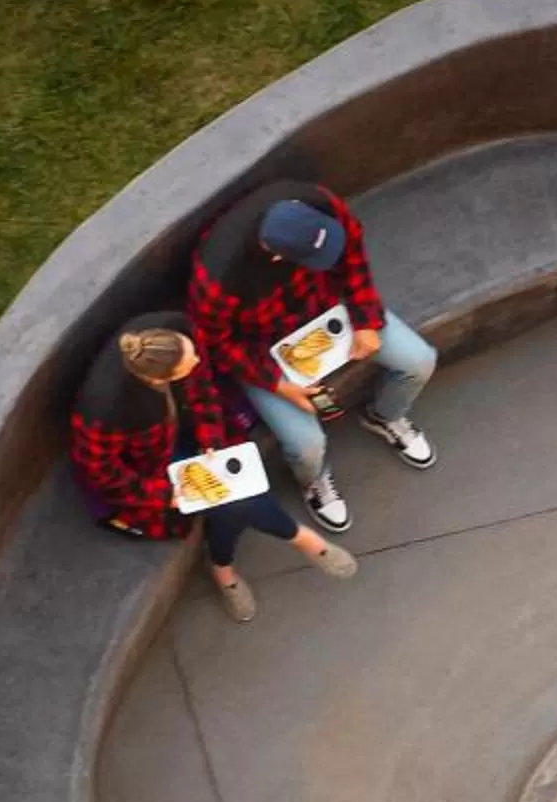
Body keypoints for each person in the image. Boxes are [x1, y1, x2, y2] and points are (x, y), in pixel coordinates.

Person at [188, 179, 439, 535]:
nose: (327, 260)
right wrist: (280, 386)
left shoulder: (316, 205)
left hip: (325, 312)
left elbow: (352, 255)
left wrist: (366, 320)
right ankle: (314, 481)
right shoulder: (219, 278)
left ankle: (385, 416)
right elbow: (217, 345)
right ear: (275, 255)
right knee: (307, 444)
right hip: (261, 348)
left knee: (419, 361)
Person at [68, 315, 357, 623]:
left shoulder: (175, 336)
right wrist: (166, 494)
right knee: (230, 498)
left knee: (228, 497)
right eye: (189, 362)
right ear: (158, 380)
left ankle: (223, 568)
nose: (197, 359)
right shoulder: (104, 410)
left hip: (189, 425)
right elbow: (103, 472)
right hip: (148, 460)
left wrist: (212, 442)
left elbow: (204, 391)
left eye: (192, 351)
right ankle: (297, 540)